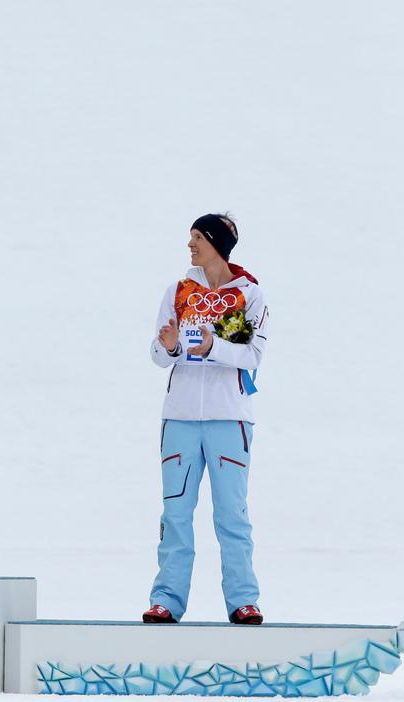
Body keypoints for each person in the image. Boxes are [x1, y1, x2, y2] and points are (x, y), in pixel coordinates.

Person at [143, 214, 267, 625]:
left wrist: (210, 345)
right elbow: (159, 355)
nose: (190, 244)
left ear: (217, 243)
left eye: (197, 237)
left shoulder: (246, 295)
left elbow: (248, 355)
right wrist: (174, 347)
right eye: (191, 236)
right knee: (175, 513)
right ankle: (167, 601)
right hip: (179, 417)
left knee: (231, 514)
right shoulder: (180, 291)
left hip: (230, 419)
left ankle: (243, 601)